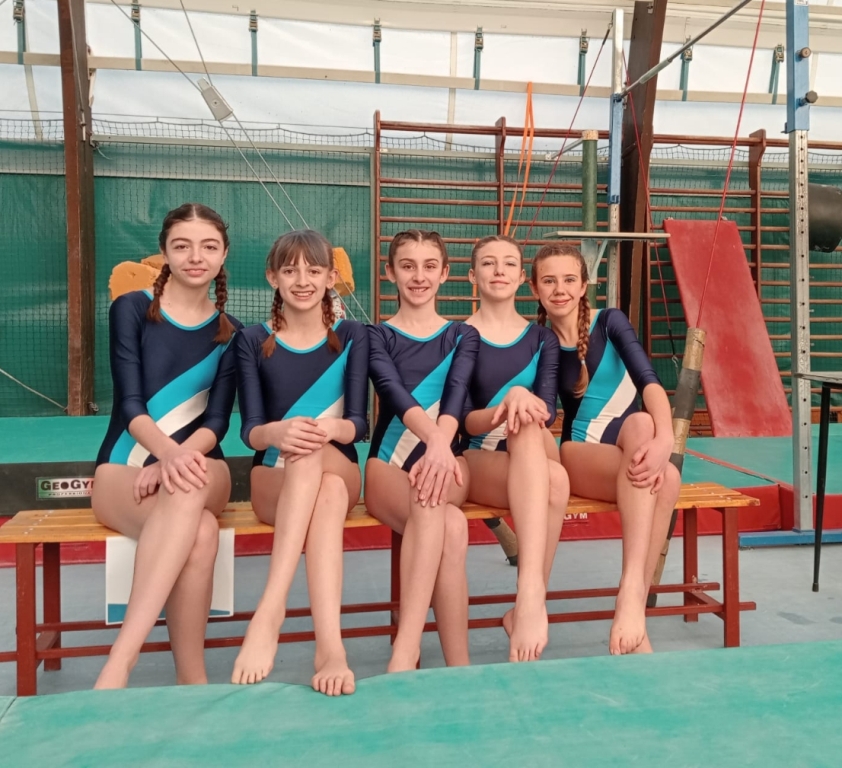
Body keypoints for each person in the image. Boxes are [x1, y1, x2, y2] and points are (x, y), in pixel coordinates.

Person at [92, 203, 240, 689]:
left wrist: (178, 458)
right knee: (200, 531)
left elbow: (217, 422)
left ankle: (120, 661)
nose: (195, 257)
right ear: (164, 252)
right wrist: (165, 453)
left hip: (203, 466)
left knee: (187, 487)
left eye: (208, 246)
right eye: (182, 246)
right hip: (125, 467)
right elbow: (130, 404)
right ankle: (192, 679)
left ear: (223, 255)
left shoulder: (231, 332)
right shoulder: (131, 309)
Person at [231, 230, 368, 696]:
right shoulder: (252, 339)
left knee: (313, 456)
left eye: (313, 270)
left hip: (338, 462)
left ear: (331, 277)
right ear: (273, 277)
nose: (302, 280)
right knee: (321, 488)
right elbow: (250, 429)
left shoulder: (351, 335)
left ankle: (270, 610)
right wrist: (278, 432)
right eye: (290, 270)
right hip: (274, 478)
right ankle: (330, 648)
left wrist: (325, 430)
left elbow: (358, 424)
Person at [531, 243, 680, 655]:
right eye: (549, 281)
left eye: (568, 280)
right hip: (580, 453)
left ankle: (633, 603)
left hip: (630, 443)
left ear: (584, 285)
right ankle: (632, 599)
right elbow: (543, 409)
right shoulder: (541, 341)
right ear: (535, 289)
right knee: (661, 473)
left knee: (650, 439)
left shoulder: (609, 322)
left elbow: (648, 380)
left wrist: (665, 440)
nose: (559, 289)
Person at [364, 229, 479, 672]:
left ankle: (411, 650)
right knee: (448, 522)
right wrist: (435, 443)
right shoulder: (376, 336)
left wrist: (439, 447)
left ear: (445, 273)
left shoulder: (462, 335)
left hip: (449, 462)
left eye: (430, 266)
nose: (419, 276)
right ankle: (447, 663)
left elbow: (456, 393)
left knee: (433, 498)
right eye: (407, 266)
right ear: (390, 272)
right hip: (389, 467)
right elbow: (392, 391)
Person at [461, 235, 569, 662]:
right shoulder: (459, 336)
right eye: (488, 263)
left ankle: (528, 599)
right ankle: (532, 597)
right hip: (479, 457)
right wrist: (507, 405)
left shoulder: (541, 339)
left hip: (530, 450)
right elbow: (462, 419)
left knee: (534, 437)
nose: (499, 271)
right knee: (553, 476)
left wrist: (522, 400)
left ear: (523, 277)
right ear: (473, 276)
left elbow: (548, 410)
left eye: (509, 263)